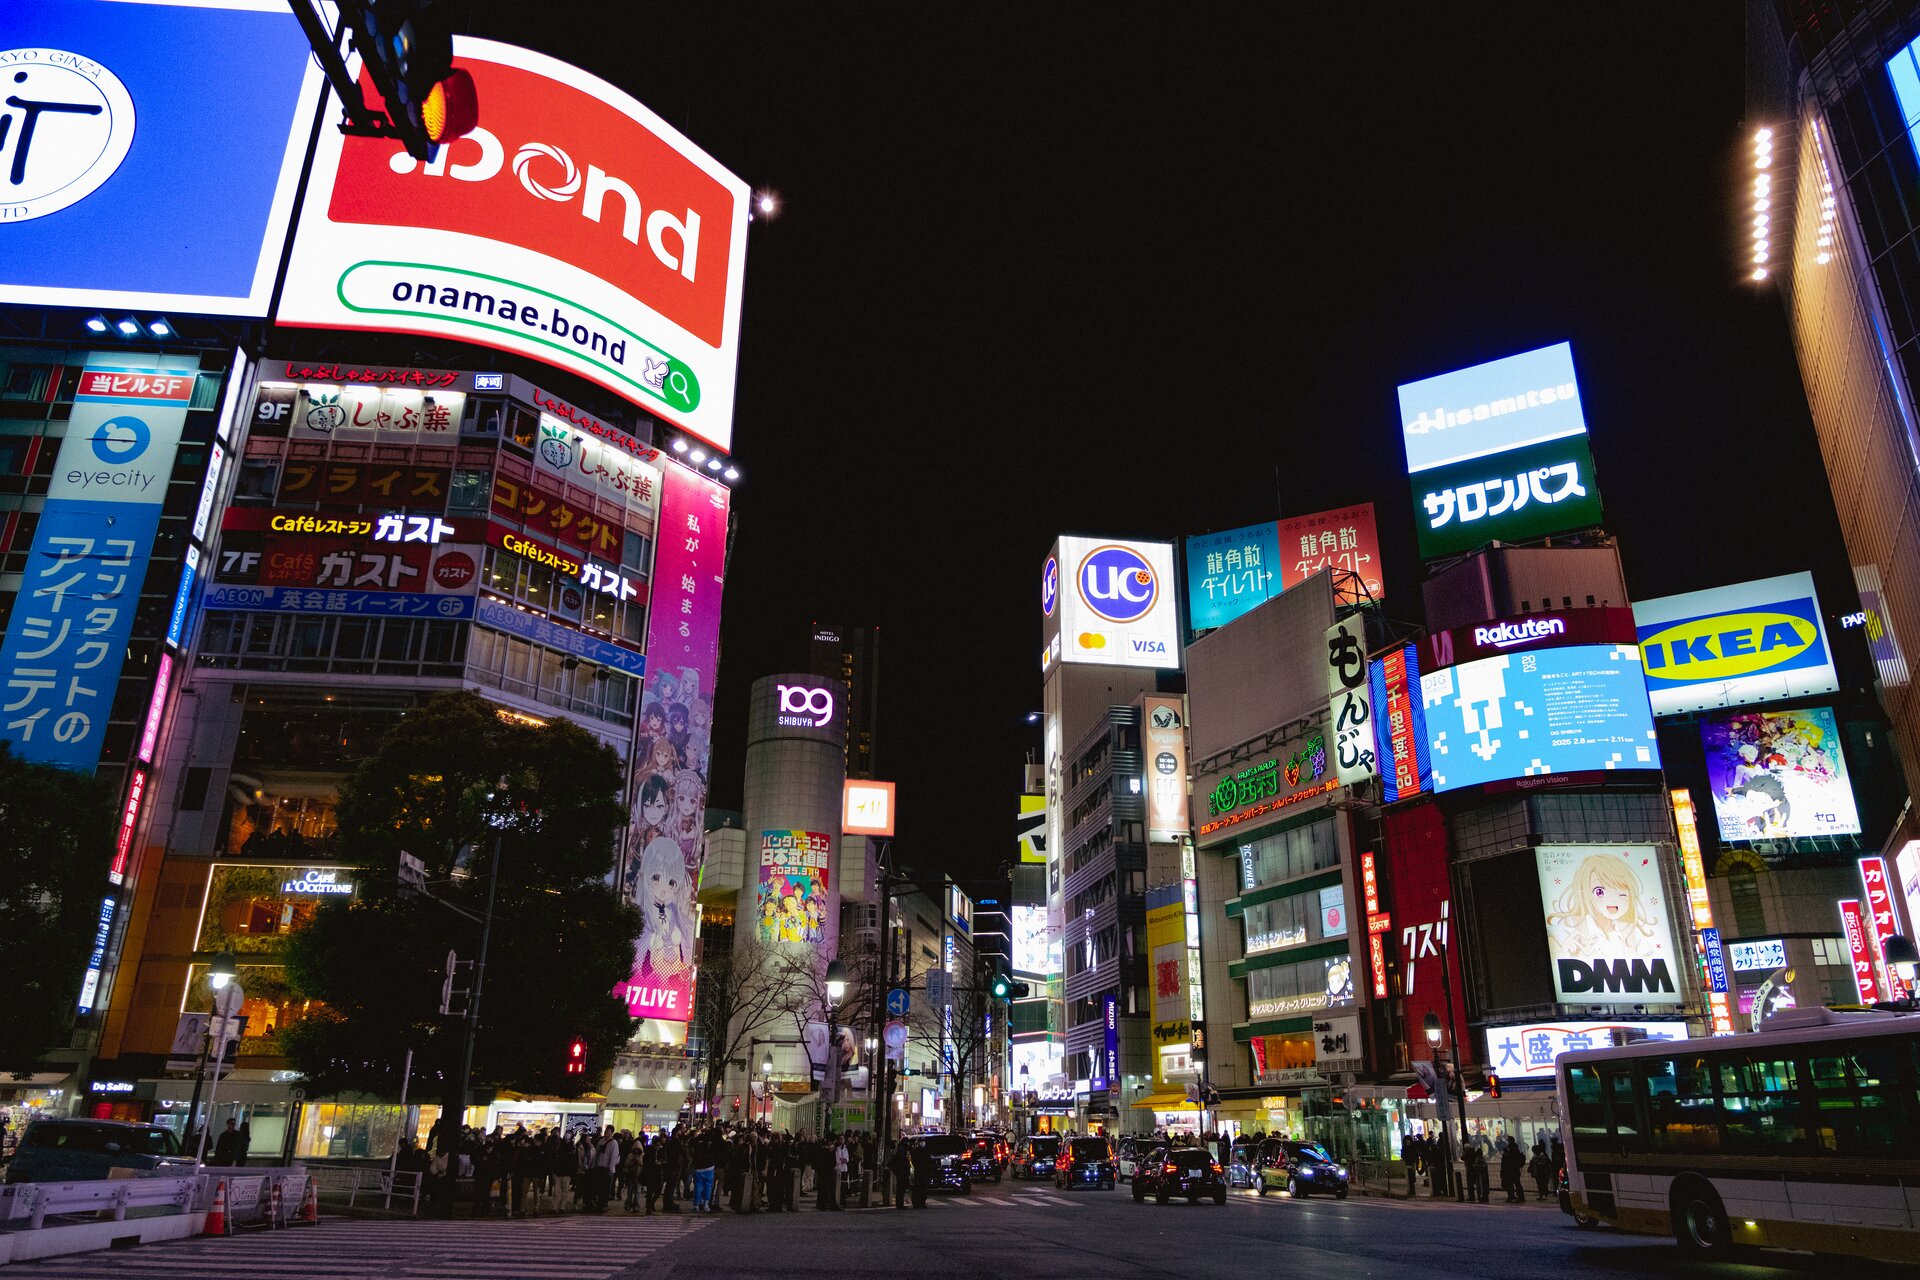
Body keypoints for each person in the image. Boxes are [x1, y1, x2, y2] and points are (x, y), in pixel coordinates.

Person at [1500, 1136, 1525, 1203]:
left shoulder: (1511, 1148)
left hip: (1511, 1169)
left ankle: (1512, 1196)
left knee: (1511, 1183)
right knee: (1517, 1183)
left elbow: (1509, 1159)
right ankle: (1520, 1196)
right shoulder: (1516, 1148)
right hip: (1515, 1169)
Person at [888, 1138, 911, 1209]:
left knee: (901, 1188)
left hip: (902, 1171)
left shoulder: (901, 1149)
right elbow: (902, 1161)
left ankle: (900, 1204)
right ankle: (899, 1204)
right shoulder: (901, 1150)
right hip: (901, 1172)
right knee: (901, 1188)